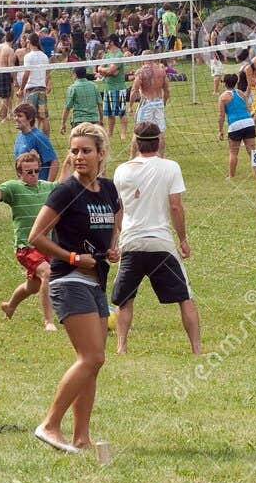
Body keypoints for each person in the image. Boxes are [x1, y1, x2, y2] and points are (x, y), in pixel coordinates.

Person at [28, 123, 122, 453]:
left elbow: (116, 217)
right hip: (69, 280)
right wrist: (71, 257)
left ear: (101, 154)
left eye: (86, 151)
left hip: (96, 281)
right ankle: (50, 425)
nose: (79, 156)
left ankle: (81, 437)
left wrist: (112, 247)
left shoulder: (108, 189)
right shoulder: (65, 191)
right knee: (92, 357)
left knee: (92, 364)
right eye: (74, 150)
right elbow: (36, 237)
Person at [110, 123, 200, 356]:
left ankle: (121, 347)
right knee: (185, 297)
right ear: (159, 141)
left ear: (135, 142)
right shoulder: (171, 167)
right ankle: (196, 349)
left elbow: (117, 209)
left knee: (124, 298)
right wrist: (183, 239)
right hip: (161, 242)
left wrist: (119, 236)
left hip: (131, 241)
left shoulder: (121, 170)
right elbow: (175, 207)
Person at [0, 151, 57, 330]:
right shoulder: (13, 188)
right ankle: (49, 322)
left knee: (33, 287)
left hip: (47, 246)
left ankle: (10, 306)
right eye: (28, 172)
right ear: (19, 173)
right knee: (47, 273)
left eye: (36, 171)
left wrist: (70, 160)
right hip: (26, 247)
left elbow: (65, 184)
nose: (33, 175)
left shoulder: (47, 186)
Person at [13, 103, 58, 181]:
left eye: (19, 116)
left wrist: (48, 185)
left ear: (30, 118)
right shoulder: (20, 134)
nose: (16, 118)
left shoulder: (38, 137)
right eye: (15, 116)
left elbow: (54, 162)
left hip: (38, 185)